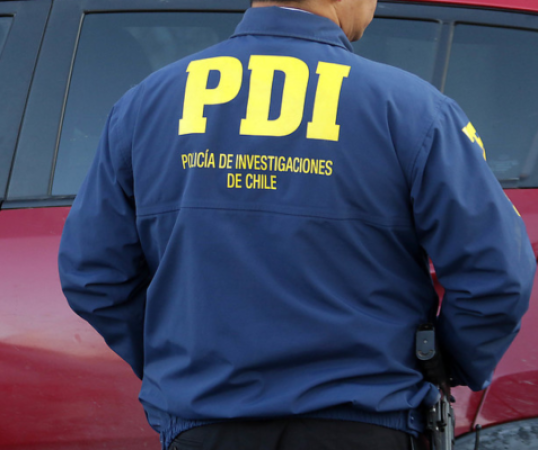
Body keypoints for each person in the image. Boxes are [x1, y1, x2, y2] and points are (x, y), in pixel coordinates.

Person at [58, 0, 536, 449]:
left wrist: (180, 364)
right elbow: (496, 273)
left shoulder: (144, 105)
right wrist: (444, 367)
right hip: (368, 422)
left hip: (205, 424)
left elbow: (93, 273)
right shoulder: (413, 109)